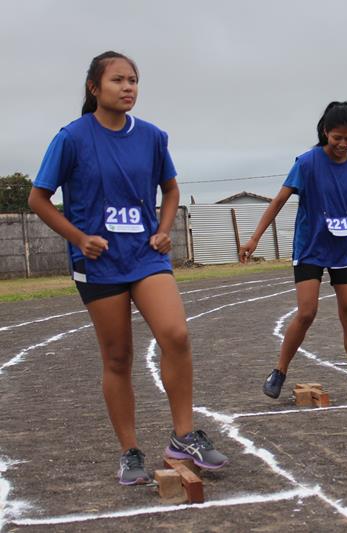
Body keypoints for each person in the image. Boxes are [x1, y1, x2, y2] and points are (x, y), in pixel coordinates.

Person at [28, 51, 228, 486]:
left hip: (145, 255)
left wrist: (164, 229)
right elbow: (38, 199)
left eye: (133, 80)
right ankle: (129, 451)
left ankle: (182, 436)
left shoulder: (153, 137)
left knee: (175, 334)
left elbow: (171, 191)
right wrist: (79, 238)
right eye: (118, 80)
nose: (128, 88)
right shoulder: (72, 138)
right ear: (94, 88)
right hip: (98, 262)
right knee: (118, 356)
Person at [239, 101, 347, 402]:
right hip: (311, 246)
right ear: (325, 132)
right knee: (307, 312)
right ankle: (279, 371)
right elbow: (278, 201)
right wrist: (254, 238)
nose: (342, 144)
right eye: (337, 138)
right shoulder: (307, 163)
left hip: (344, 247)